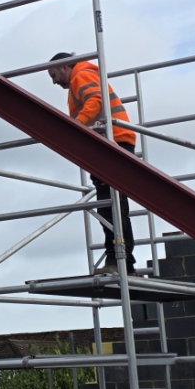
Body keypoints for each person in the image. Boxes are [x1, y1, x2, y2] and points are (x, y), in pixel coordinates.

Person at [47, 53, 138, 268]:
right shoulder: (85, 75)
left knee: (110, 205)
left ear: (65, 67)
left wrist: (75, 126)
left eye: (54, 75)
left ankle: (118, 259)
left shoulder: (81, 75)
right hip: (116, 140)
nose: (54, 81)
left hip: (111, 142)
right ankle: (123, 260)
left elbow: (95, 101)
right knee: (116, 203)